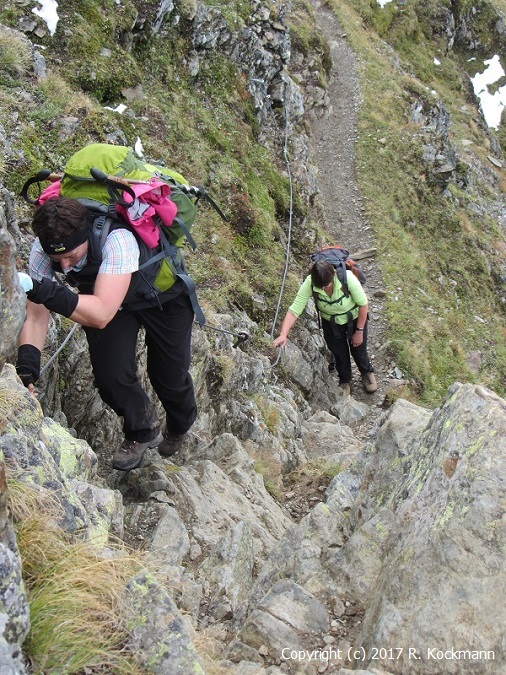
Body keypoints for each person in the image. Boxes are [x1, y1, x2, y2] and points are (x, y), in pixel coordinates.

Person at [15, 196, 197, 470]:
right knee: (110, 376)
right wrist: (28, 365)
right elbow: (36, 314)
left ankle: (180, 424)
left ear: (86, 235)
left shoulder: (117, 239)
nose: (65, 267)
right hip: (107, 296)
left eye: (72, 257)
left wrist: (42, 290)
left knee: (168, 377)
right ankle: (143, 431)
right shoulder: (41, 251)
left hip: (163, 298)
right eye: (57, 259)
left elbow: (100, 314)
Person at [273, 260, 377, 395]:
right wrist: (283, 334)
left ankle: (366, 372)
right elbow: (294, 310)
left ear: (333, 276)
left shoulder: (347, 278)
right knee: (339, 352)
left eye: (326, 285)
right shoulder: (310, 283)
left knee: (359, 349)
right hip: (331, 322)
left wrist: (359, 331)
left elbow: (363, 304)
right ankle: (345, 380)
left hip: (355, 318)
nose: (323, 289)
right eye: (319, 287)